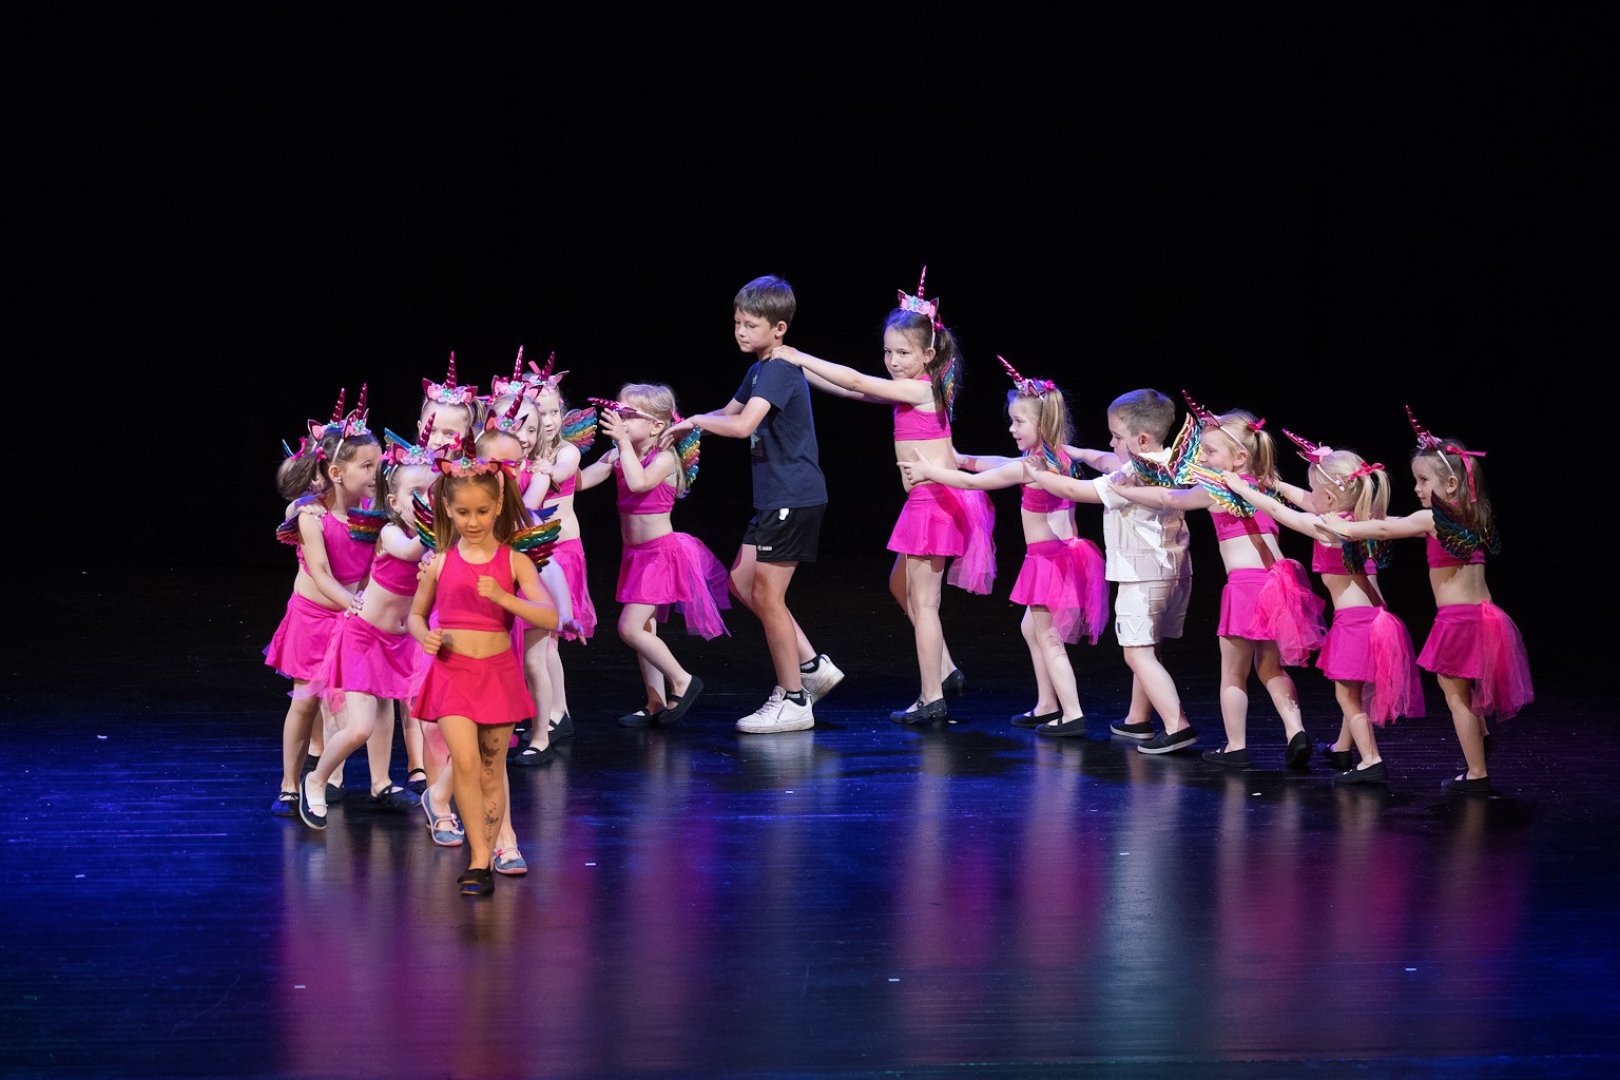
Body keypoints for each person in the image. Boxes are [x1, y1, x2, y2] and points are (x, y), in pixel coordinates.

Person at [773, 269, 993, 724]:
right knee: (900, 586)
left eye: (902, 352)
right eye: (888, 352)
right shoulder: (915, 390)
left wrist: (797, 354)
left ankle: (931, 697)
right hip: (930, 503)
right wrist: (797, 371)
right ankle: (945, 669)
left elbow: (857, 381)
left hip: (932, 505)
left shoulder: (919, 388)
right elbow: (851, 390)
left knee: (925, 604)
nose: (892, 360)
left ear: (928, 354)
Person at [1100, 392, 1324, 769]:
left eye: (1209, 452)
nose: (1201, 458)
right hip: (1279, 585)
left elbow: (1172, 499)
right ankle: (1295, 730)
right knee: (1271, 669)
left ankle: (1235, 746)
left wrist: (1126, 490)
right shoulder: (1263, 484)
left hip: (1246, 587)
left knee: (1233, 675)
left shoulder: (1219, 488)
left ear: (1238, 458)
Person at [1316, 407, 1533, 795]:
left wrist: (1344, 527)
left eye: (1423, 480)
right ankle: (1481, 737)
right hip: (1486, 615)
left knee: (1456, 695)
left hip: (1458, 620)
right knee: (1467, 687)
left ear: (1450, 483)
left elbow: (1388, 528)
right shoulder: (1473, 515)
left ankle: (1477, 773)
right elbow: (1395, 525)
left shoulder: (1432, 519)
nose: (1417, 488)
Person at [661, 274, 841, 734]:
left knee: (767, 596)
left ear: (779, 329)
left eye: (751, 325)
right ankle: (812, 666)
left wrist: (698, 422)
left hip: (793, 496)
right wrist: (683, 424)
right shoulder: (759, 368)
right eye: (737, 322)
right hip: (774, 498)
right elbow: (729, 412)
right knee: (742, 584)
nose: (740, 331)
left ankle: (794, 698)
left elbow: (742, 427)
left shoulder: (779, 369)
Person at [898, 358, 1106, 735]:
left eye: (1018, 422)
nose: (1012, 428)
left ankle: (1073, 713)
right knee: (1031, 629)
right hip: (1067, 555)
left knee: (1049, 637)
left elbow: (977, 483)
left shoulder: (1032, 467)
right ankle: (1047, 704)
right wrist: (962, 459)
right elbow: (1000, 463)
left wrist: (932, 472)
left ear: (1041, 423)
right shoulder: (1056, 456)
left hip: (1049, 563)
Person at [1221, 429, 1425, 784]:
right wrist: (1276, 484)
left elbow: (1279, 512)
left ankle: (1371, 760)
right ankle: (1342, 747)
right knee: (1360, 687)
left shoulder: (1328, 528)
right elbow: (1304, 500)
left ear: (1329, 496)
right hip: (1380, 618)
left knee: (1347, 695)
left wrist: (1244, 488)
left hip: (1354, 622)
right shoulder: (1363, 520)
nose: (1309, 495)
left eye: (1314, 490)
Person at [407, 444, 560, 897]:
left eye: (481, 512)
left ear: (497, 507)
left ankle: (491, 850)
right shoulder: (439, 562)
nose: (472, 522)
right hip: (453, 673)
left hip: (497, 674)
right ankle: (478, 859)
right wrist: (425, 636)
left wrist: (504, 597)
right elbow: (416, 615)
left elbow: (549, 615)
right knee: (466, 763)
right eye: (462, 513)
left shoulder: (513, 561)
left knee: (492, 769)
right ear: (448, 510)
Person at [1024, 389, 1199, 755]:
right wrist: (1074, 452)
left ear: (1142, 439)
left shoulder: (1131, 478)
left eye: (1117, 437)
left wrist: (1036, 471)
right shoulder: (1169, 461)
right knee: (1149, 646)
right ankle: (1138, 718)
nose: (1111, 443)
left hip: (1142, 576)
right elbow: (1105, 460)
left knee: (1136, 653)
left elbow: (1074, 489)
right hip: (1175, 573)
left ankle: (1177, 725)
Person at [295, 432, 434, 828]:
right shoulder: (392, 534)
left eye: (432, 493)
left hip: (397, 642)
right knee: (359, 727)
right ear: (393, 502)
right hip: (363, 638)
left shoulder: (430, 541)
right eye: (416, 494)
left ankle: (381, 783)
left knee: (385, 708)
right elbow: (410, 551)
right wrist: (440, 536)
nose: (425, 502)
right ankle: (316, 779)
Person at [577, 384, 728, 727]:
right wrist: (561, 458)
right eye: (620, 413)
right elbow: (582, 482)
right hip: (635, 555)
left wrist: (621, 445)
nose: (621, 420)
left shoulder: (663, 460)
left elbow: (639, 483)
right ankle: (655, 702)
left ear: (657, 425)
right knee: (646, 627)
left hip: (660, 555)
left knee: (629, 628)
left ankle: (683, 680)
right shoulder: (621, 454)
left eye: (629, 415)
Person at [265, 390, 380, 815]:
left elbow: (375, 564)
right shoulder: (311, 515)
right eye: (366, 467)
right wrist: (354, 602)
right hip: (313, 618)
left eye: (378, 465)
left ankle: (328, 777)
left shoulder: (373, 514)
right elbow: (321, 572)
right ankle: (289, 784)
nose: (375, 474)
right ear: (335, 472)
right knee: (305, 701)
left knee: (344, 706)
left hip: (349, 617)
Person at [519, 354, 597, 748]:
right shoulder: (524, 456)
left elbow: (567, 472)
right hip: (531, 554)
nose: (549, 421)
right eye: (541, 413)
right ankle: (547, 709)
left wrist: (547, 471)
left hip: (560, 551)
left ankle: (556, 713)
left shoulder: (564, 452)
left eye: (554, 412)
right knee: (534, 640)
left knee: (547, 638)